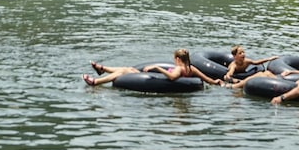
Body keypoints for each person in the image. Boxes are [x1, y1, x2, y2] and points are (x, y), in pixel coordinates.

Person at [83, 48, 225, 87]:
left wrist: (158, 67)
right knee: (127, 69)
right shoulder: (191, 69)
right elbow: (208, 80)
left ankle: (96, 82)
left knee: (124, 71)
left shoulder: (178, 69)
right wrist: (216, 82)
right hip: (163, 78)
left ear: (177, 59)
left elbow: (172, 77)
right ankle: (102, 69)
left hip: (161, 81)